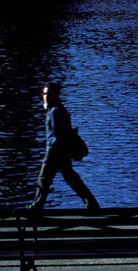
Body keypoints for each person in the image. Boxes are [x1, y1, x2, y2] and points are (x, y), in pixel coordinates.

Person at [29, 82, 100, 211]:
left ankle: (37, 207)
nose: (46, 96)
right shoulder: (58, 109)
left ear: (56, 95)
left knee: (43, 179)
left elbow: (57, 135)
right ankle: (91, 203)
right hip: (62, 152)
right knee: (71, 178)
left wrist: (51, 154)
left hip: (54, 152)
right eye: (44, 94)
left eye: (49, 94)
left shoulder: (55, 112)